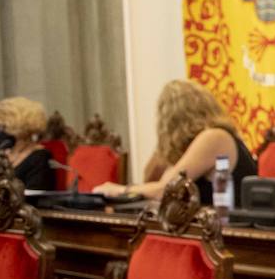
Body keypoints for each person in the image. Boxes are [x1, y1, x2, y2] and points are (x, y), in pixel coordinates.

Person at [94, 79, 257, 204]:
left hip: (231, 238)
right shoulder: (195, 143)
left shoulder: (215, 137)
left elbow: (165, 189)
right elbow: (150, 179)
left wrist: (119, 190)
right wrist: (166, 146)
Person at [0, 97, 55, 190]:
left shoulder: (40, 157)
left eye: (1, 127)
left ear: (19, 127)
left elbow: (34, 198)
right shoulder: (4, 157)